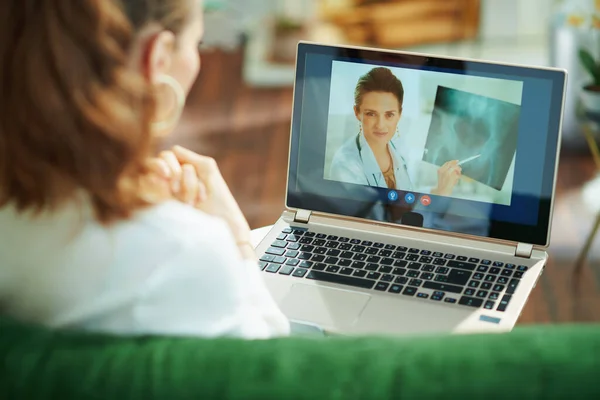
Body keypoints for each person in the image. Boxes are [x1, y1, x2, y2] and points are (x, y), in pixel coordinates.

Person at [0, 0, 290, 338]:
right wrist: (236, 240)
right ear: (159, 57)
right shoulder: (183, 252)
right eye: (196, 44)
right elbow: (265, 366)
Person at [329, 67, 462, 196]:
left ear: (399, 114)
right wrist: (441, 196)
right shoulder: (345, 165)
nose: (380, 125)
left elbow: (406, 196)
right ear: (357, 112)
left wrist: (439, 190)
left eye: (389, 115)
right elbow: (374, 216)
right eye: (371, 114)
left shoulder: (398, 149)